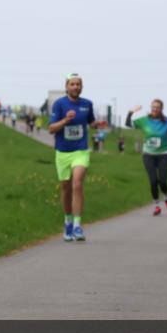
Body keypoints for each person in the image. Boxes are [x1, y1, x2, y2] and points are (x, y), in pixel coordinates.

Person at [48, 74, 98, 241]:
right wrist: (65, 120)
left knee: (77, 184)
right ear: (67, 86)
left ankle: (77, 225)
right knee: (66, 188)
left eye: (78, 84)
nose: (76, 87)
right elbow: (51, 128)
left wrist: (96, 125)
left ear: (81, 87)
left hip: (80, 151)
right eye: (72, 84)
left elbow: (91, 122)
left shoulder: (87, 104)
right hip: (62, 152)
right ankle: (68, 221)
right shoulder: (59, 104)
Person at [126, 101, 167, 215]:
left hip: (164, 154)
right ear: (151, 108)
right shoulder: (144, 120)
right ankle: (156, 206)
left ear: (161, 109)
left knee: (163, 181)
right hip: (148, 155)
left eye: (157, 107)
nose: (155, 109)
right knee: (153, 181)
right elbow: (128, 124)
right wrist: (131, 111)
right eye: (153, 107)